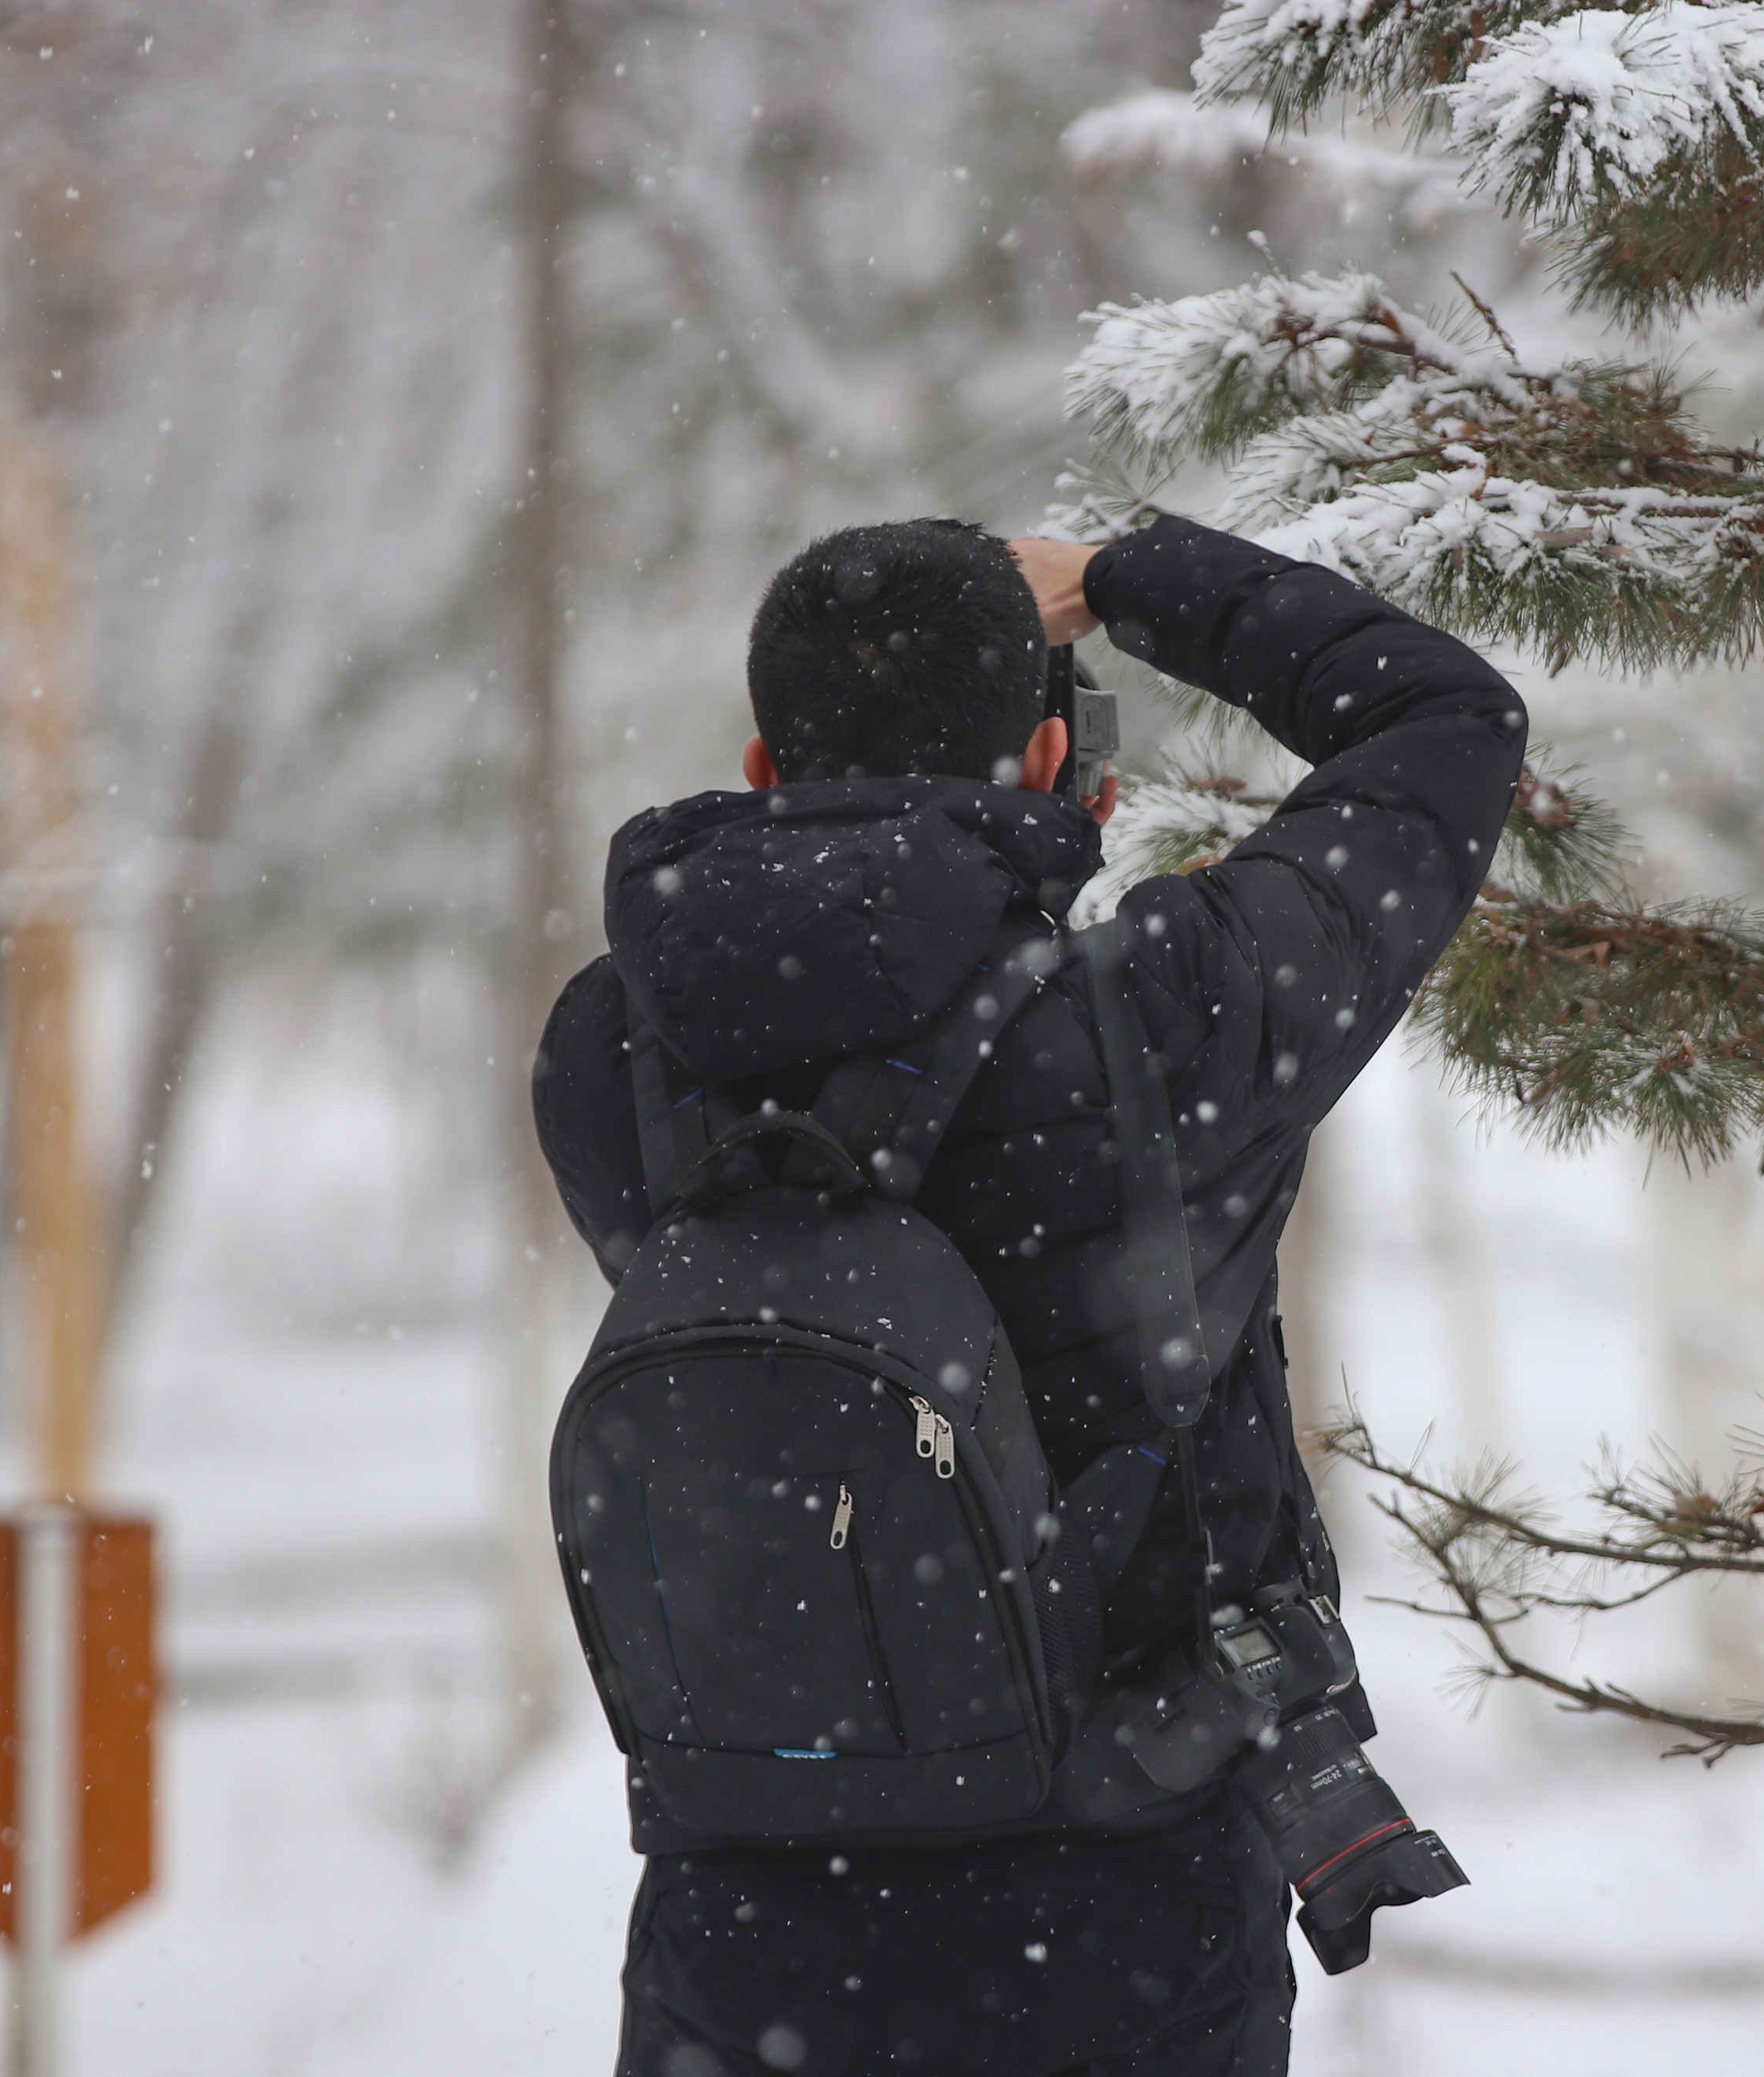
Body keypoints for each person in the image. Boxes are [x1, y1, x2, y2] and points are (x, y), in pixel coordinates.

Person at [532, 512, 1526, 2075]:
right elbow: (1443, 721)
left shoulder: (609, 1048)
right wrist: (1135, 575)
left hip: (745, 1906)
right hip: (1121, 1909)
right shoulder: (1167, 1011)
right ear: (1063, 753)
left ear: (758, 755)